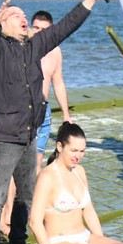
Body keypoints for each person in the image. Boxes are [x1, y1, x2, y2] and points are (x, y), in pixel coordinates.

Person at [0, 0, 109, 244]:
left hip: (28, 131)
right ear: (3, 22)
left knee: (27, 193)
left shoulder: (33, 45)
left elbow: (64, 28)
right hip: (3, 134)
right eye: (16, 15)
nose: (23, 18)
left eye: (24, 14)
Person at [30, 10, 74, 174]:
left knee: (38, 158)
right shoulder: (23, 49)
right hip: (25, 110)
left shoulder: (55, 51)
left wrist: (66, 114)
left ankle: (32, 197)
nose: (39, 32)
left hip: (44, 109)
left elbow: (59, 83)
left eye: (43, 29)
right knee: (22, 157)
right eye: (35, 28)